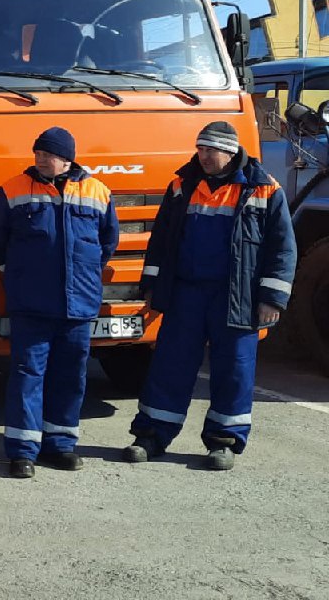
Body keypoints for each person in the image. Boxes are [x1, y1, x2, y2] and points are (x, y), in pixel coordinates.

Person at [124, 121, 296, 470]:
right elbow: (162, 240)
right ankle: (151, 435)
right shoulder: (181, 186)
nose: (202, 155)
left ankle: (224, 442)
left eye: (210, 150)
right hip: (186, 294)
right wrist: (152, 287)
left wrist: (272, 299)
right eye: (200, 148)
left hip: (238, 297)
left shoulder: (264, 189)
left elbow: (283, 249)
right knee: (170, 366)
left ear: (230, 152)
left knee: (234, 369)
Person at [0, 126, 119, 479]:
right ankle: (23, 451)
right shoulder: (14, 189)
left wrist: (85, 273)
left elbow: (108, 241)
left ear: (66, 158)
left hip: (79, 305)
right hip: (32, 303)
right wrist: (14, 271)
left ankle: (60, 445)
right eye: (38, 154)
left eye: (48, 155)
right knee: (28, 374)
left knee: (71, 376)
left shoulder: (98, 191)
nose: (40, 160)